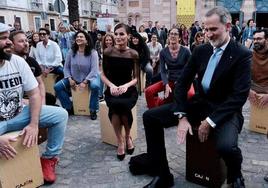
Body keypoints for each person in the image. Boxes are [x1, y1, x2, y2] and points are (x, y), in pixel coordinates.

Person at [141, 7, 251, 188]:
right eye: (206, 29)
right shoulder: (201, 51)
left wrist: (209, 122)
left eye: (213, 29)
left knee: (226, 147)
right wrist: (182, 115)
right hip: (199, 104)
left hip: (226, 110)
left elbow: (239, 97)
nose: (208, 34)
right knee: (150, 117)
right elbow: (182, 83)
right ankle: (162, 174)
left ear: (228, 26)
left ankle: (236, 176)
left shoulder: (242, 54)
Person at [0, 23, 68, 184]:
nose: (9, 42)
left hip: (19, 114)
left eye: (8, 37)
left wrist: (33, 124)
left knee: (60, 115)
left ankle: (48, 159)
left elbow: (34, 93)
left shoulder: (17, 61)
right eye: (3, 38)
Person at [101, 23, 139, 161]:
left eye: (121, 34)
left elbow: (136, 78)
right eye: (116, 34)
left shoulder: (133, 53)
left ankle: (128, 136)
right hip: (112, 89)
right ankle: (120, 141)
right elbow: (103, 75)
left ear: (128, 36)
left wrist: (126, 86)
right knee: (116, 108)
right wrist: (111, 86)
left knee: (123, 107)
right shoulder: (108, 52)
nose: (118, 37)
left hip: (128, 89)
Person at [54, 30, 100, 120]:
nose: (79, 38)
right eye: (77, 37)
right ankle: (69, 107)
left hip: (90, 77)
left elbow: (94, 70)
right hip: (73, 78)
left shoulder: (93, 52)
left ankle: (93, 109)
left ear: (87, 40)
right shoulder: (71, 52)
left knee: (95, 86)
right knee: (57, 87)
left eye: (81, 37)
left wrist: (85, 82)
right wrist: (70, 79)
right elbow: (66, 67)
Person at [144, 28, 191, 109]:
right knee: (148, 91)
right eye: (171, 34)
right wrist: (166, 84)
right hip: (169, 80)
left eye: (175, 34)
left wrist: (182, 81)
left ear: (179, 37)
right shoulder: (163, 52)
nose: (173, 36)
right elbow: (163, 70)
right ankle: (154, 112)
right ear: (168, 36)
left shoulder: (186, 51)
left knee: (190, 95)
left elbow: (190, 69)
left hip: (184, 81)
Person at [9, 30, 56, 106]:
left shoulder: (31, 61)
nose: (26, 44)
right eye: (21, 41)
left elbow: (40, 83)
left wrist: (42, 102)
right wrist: (22, 101)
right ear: (12, 45)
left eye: (26, 41)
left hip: (32, 94)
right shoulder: (7, 63)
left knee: (51, 99)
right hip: (16, 99)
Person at [248, 29, 268, 184]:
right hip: (254, 92)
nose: (256, 41)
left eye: (259, 39)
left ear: (266, 40)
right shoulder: (249, 54)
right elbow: (243, 74)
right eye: (254, 39)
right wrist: (249, 90)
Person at [99, 33, 115, 100]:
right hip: (106, 70)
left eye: (110, 40)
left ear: (113, 41)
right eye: (106, 40)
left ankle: (105, 94)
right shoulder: (104, 51)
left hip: (114, 71)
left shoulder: (115, 50)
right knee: (100, 75)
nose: (108, 42)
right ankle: (101, 95)